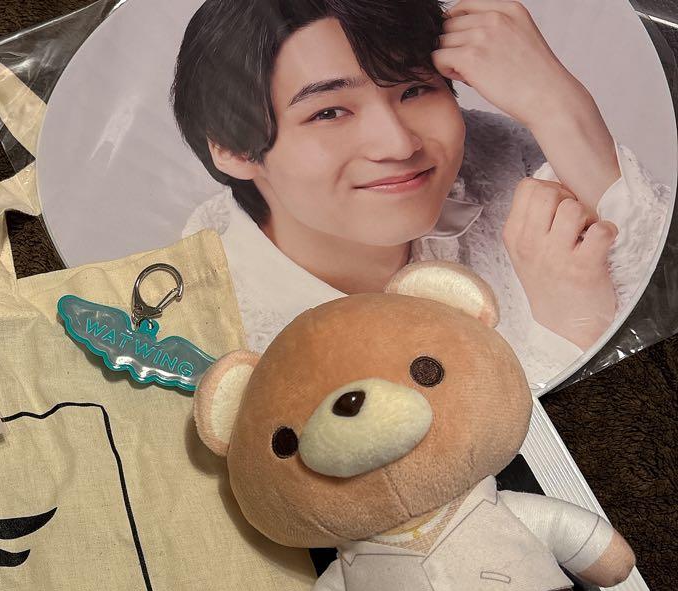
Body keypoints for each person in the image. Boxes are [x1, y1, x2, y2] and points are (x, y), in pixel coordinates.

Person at [172, 0, 670, 389]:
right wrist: (566, 333)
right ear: (232, 148)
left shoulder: (505, 156)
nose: (399, 144)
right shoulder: (192, 345)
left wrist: (560, 108)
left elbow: (665, 294)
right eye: (329, 112)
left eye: (413, 90)